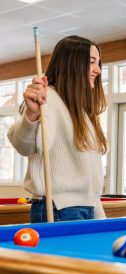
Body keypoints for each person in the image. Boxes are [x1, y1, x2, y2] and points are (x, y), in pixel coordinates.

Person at [7, 35, 108, 223]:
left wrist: (99, 215)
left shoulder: (83, 111)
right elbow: (26, 146)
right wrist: (32, 115)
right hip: (58, 208)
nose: (98, 69)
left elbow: (90, 178)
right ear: (73, 64)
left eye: (98, 63)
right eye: (92, 62)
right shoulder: (47, 98)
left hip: (86, 208)